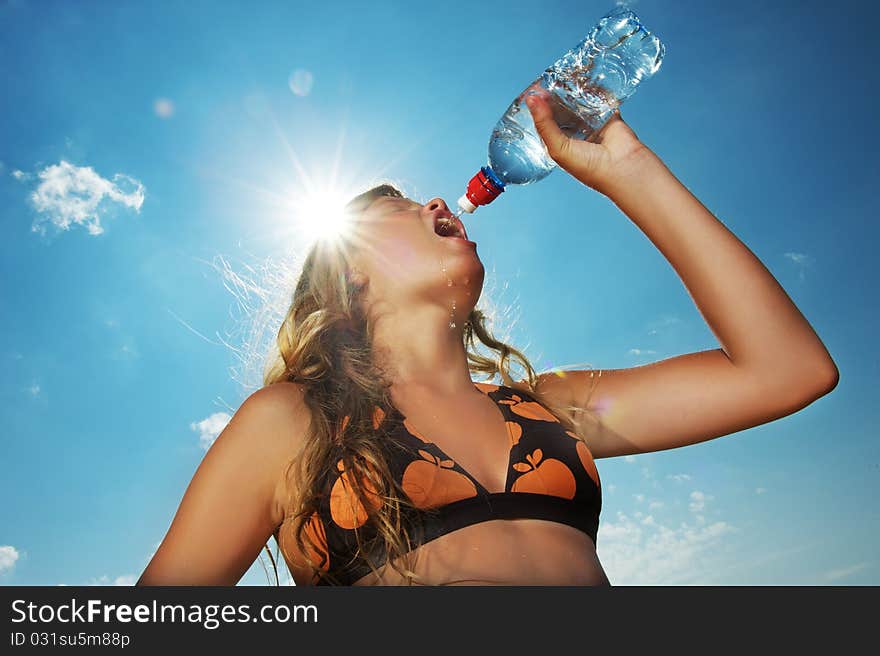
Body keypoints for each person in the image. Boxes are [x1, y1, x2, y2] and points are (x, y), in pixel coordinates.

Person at [136, 90, 839, 586]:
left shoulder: (552, 408)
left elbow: (788, 370)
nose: (437, 203)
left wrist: (631, 172)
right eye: (398, 207)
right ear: (347, 275)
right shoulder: (297, 422)